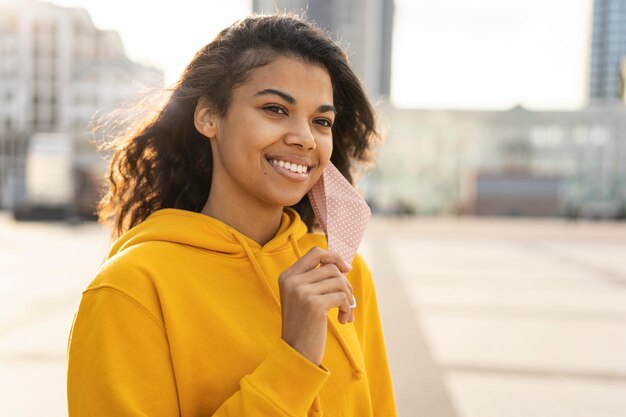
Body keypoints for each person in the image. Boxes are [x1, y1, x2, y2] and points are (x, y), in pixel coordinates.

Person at [66, 14, 397, 417]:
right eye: (275, 109)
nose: (304, 138)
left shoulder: (343, 273)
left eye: (321, 121)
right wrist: (294, 360)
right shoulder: (132, 288)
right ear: (208, 117)